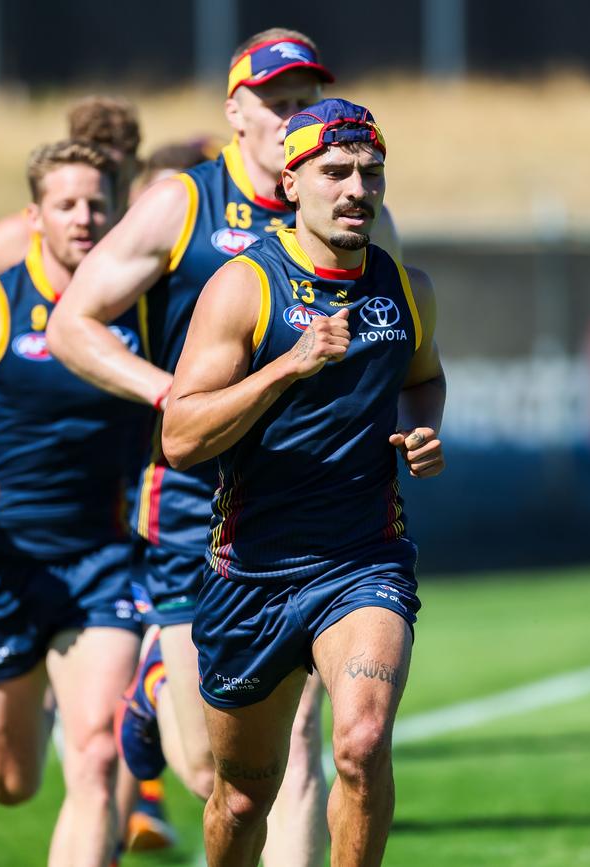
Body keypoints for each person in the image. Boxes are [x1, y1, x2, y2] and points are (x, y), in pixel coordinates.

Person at [47, 27, 356, 866]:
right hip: (191, 505)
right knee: (211, 768)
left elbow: (393, 334)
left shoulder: (345, 203)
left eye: (306, 103)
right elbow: (73, 321)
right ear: (237, 112)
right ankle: (153, 694)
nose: (295, 118)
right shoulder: (186, 203)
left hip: (304, 506)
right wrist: (168, 395)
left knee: (298, 743)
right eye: (278, 104)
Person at [161, 98, 446, 866]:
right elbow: (181, 437)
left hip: (364, 561)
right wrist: (289, 366)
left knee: (358, 744)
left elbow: (424, 376)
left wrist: (424, 429)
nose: (357, 187)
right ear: (292, 182)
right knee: (242, 799)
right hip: (250, 574)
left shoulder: (404, 286)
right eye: (336, 171)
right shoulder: (243, 287)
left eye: (371, 171)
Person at [0, 140, 148, 867]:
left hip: (104, 561)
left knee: (97, 755)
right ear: (35, 216)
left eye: (97, 202)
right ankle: (33, 691)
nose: (84, 217)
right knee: (9, 783)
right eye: (66, 204)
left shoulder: (142, 305)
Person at [0, 96, 142, 289]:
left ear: (137, 168)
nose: (84, 218)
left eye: (116, 177)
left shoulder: (150, 228)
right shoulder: (16, 239)